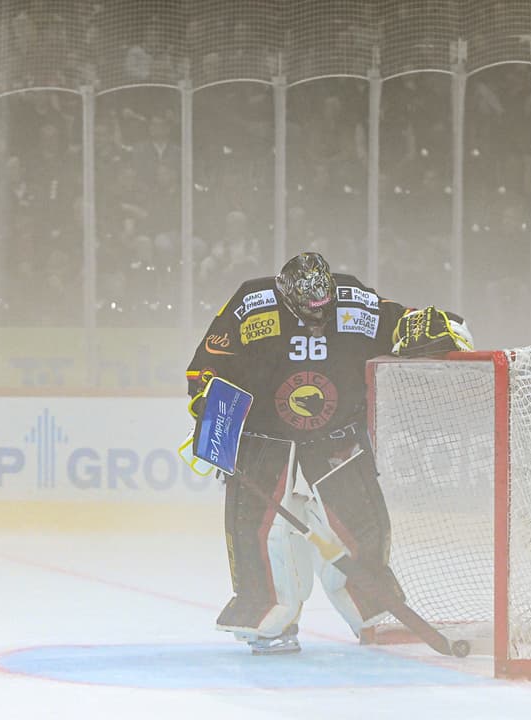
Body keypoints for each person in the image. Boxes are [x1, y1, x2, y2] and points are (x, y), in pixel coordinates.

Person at [185, 251, 472, 654]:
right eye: (309, 310)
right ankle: (269, 617)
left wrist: (437, 326)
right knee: (262, 530)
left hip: (336, 433)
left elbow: (401, 321)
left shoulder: (352, 298)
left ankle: (373, 613)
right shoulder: (251, 303)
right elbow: (207, 363)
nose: (318, 317)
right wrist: (205, 399)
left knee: (359, 521)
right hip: (263, 438)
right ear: (285, 296)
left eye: (324, 307)